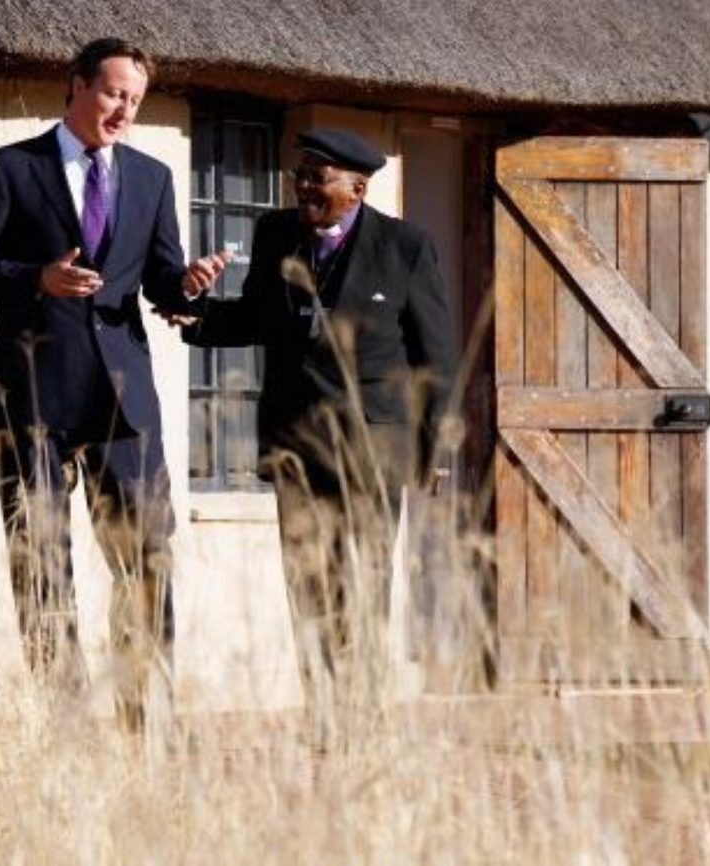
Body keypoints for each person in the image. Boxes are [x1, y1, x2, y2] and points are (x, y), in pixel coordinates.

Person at [0, 37, 228, 731]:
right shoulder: (10, 169)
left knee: (146, 562)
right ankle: (64, 722)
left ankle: (145, 721)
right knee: (40, 564)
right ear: (75, 86)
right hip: (31, 391)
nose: (123, 110)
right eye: (112, 93)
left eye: (134, 100)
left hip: (124, 399)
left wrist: (186, 284)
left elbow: (160, 280)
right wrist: (34, 279)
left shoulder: (153, 178)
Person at [181, 128, 457, 740]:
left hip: (373, 449)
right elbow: (255, 317)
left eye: (318, 177)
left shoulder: (406, 246)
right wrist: (194, 313)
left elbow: (434, 354)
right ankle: (325, 716)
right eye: (300, 175)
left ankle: (362, 715)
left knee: (362, 581)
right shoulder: (275, 233)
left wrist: (433, 450)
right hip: (295, 442)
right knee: (307, 580)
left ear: (356, 188)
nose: (304, 186)